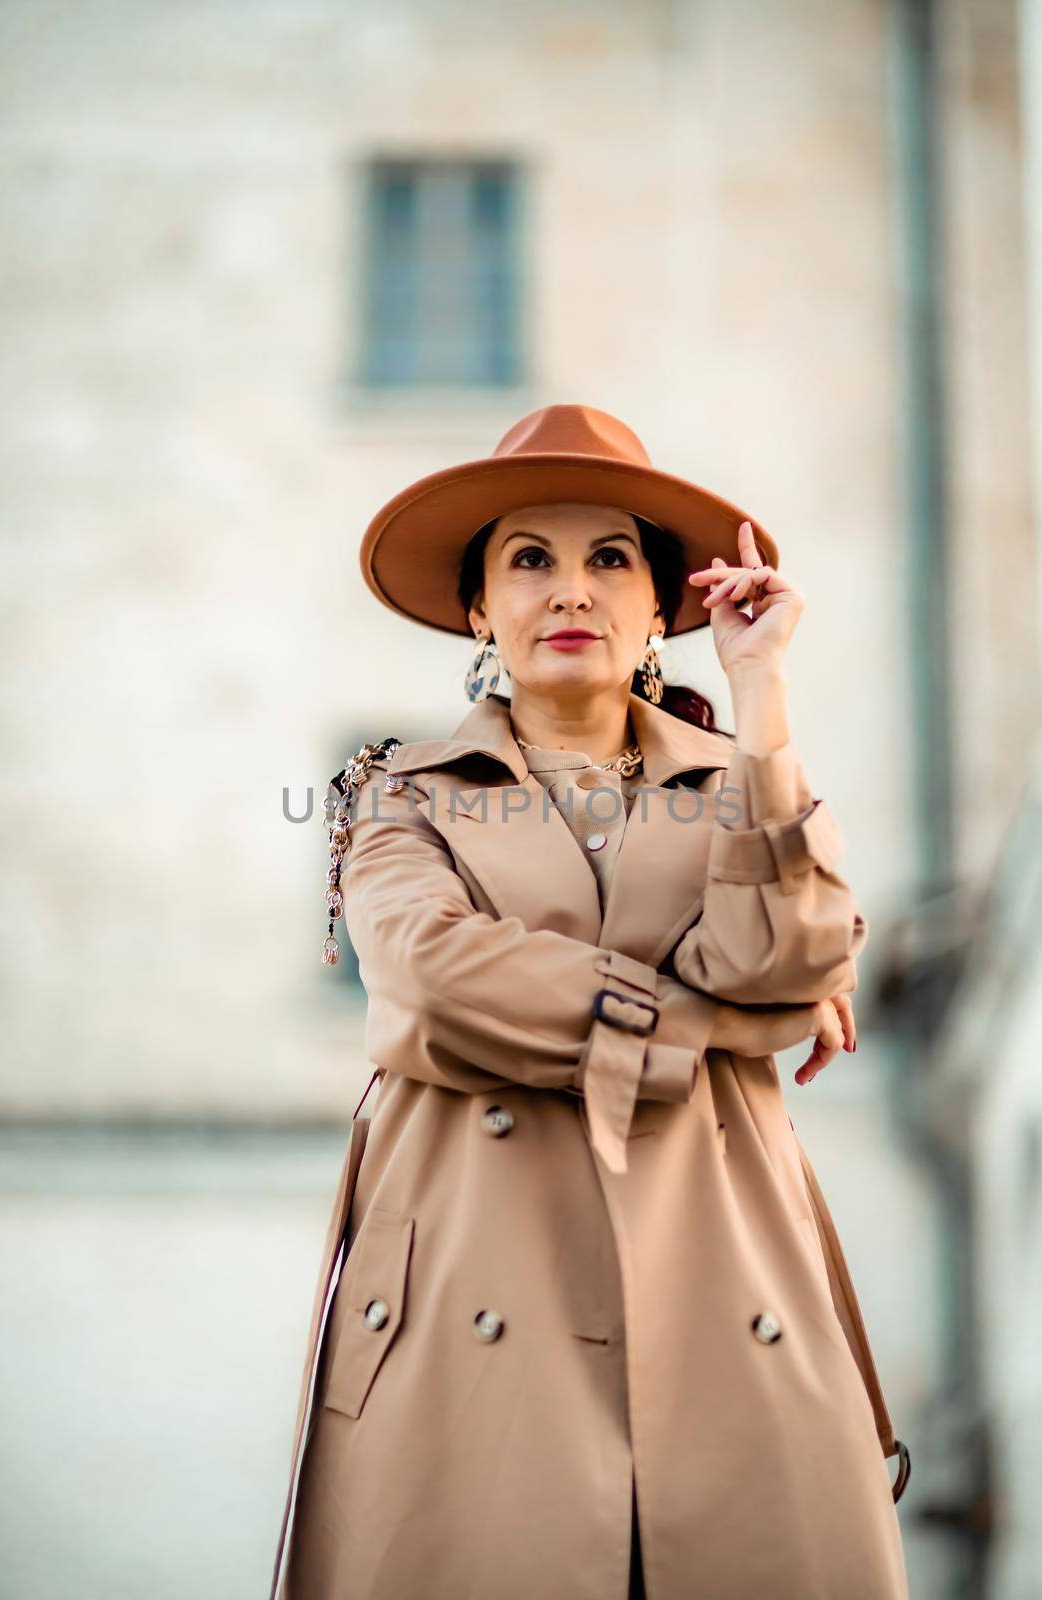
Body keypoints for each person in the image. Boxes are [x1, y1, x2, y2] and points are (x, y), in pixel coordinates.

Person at [269, 405, 911, 1600]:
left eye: (608, 558)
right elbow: (427, 983)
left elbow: (790, 955)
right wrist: (722, 1022)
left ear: (656, 605)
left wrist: (760, 690)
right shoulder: (395, 793)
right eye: (529, 559)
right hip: (466, 1293)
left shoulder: (743, 781)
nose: (571, 589)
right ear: (479, 611)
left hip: (725, 1279)